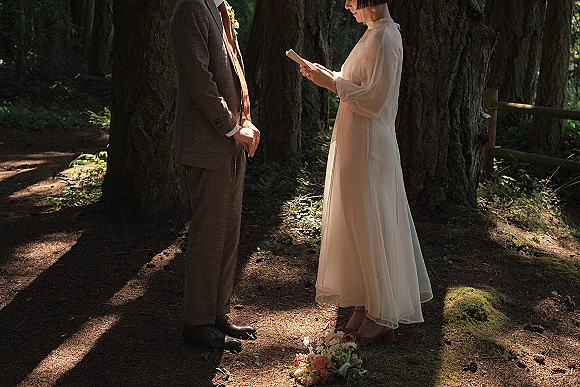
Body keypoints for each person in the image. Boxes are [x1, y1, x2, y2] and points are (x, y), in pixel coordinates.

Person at [300, 0, 432, 346]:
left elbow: (376, 100)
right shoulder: (372, 34)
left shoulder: (386, 37)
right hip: (356, 140)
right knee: (356, 223)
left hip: (371, 146)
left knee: (370, 221)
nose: (346, 5)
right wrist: (328, 76)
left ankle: (379, 316)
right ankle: (362, 304)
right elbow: (359, 83)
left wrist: (332, 84)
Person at [170, 0, 260, 352]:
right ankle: (197, 322)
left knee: (228, 232)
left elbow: (233, 71)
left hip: (230, 143)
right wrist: (231, 127)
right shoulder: (190, 8)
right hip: (208, 144)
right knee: (208, 235)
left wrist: (246, 121)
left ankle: (218, 313)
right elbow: (198, 79)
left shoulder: (215, 6)